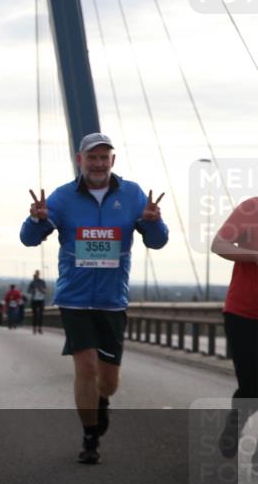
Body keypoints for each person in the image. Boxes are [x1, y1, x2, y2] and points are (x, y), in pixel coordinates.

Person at [21, 132, 168, 464]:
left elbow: (157, 242)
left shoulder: (132, 195)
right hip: (75, 299)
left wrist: (153, 224)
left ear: (112, 161)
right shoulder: (61, 198)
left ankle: (101, 403)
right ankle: (89, 437)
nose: (99, 163)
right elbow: (30, 240)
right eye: (92, 157)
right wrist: (36, 219)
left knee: (109, 381)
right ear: (80, 160)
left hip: (112, 301)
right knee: (85, 368)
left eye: (104, 157)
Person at [211, 197, 258, 464]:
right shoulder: (251, 208)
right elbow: (218, 244)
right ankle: (236, 420)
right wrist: (254, 256)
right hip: (244, 313)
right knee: (252, 386)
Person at [27, 270, 47, 334]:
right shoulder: (32, 282)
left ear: (39, 274)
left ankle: (40, 328)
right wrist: (33, 291)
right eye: (36, 274)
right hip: (34, 300)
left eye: (38, 274)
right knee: (35, 315)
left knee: (41, 315)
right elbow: (29, 290)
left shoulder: (42, 282)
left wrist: (41, 290)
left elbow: (45, 291)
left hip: (41, 300)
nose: (37, 275)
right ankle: (34, 328)